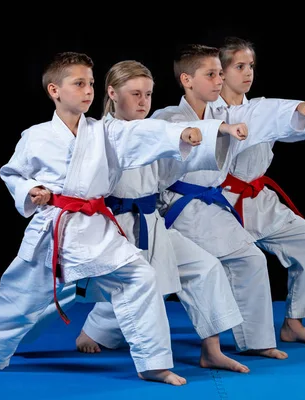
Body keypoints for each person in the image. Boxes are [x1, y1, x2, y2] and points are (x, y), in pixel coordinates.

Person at [0, 51, 245, 386]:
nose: (88, 90)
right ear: (54, 91)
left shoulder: (105, 131)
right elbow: (13, 173)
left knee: (141, 277)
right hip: (54, 229)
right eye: (78, 83)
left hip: (94, 229)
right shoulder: (35, 135)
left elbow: (141, 134)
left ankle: (152, 362)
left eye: (90, 83)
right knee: (19, 292)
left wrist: (180, 136)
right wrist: (32, 190)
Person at [26, 60, 250, 373]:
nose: (144, 101)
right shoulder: (98, 134)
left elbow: (171, 150)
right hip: (114, 227)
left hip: (152, 222)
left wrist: (215, 133)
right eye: (135, 94)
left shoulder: (155, 131)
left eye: (148, 94)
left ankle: (211, 350)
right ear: (113, 93)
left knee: (205, 268)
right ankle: (85, 331)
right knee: (123, 288)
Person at [150, 44, 305, 360]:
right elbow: (173, 132)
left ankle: (260, 338)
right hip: (181, 205)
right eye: (213, 74)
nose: (220, 81)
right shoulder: (170, 115)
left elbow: (272, 114)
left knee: (164, 272)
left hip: (217, 203)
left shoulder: (233, 112)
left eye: (221, 73)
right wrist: (220, 129)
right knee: (149, 274)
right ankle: (99, 329)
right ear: (187, 80)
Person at [211, 36, 305, 346]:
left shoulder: (259, 110)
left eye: (251, 65)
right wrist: (299, 110)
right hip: (219, 204)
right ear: (221, 73)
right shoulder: (210, 112)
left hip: (258, 200)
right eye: (240, 66)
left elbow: (284, 118)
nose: (248, 72)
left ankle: (293, 322)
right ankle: (106, 328)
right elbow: (277, 114)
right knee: (173, 270)